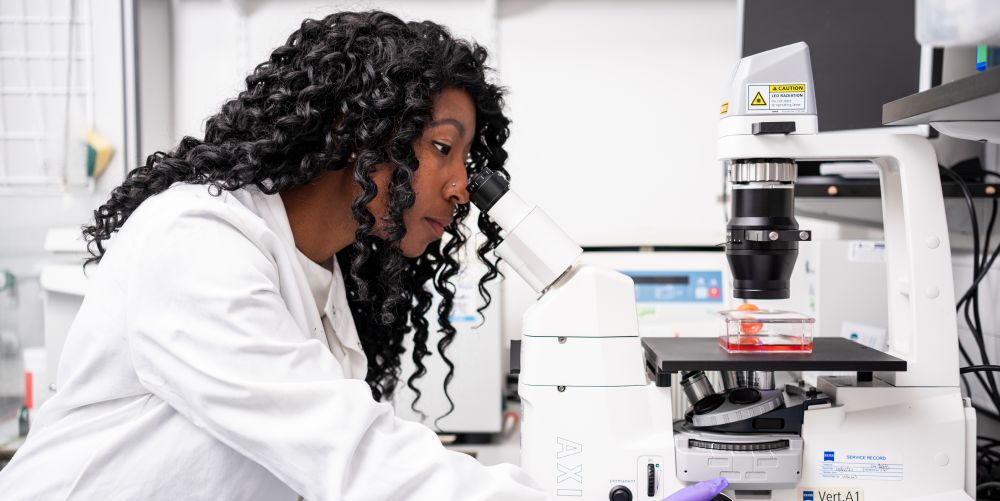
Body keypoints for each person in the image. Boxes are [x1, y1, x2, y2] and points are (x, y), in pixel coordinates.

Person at [0, 11, 727, 501]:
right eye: (443, 148)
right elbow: (353, 457)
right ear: (359, 129)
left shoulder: (325, 277)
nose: (461, 184)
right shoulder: (196, 243)